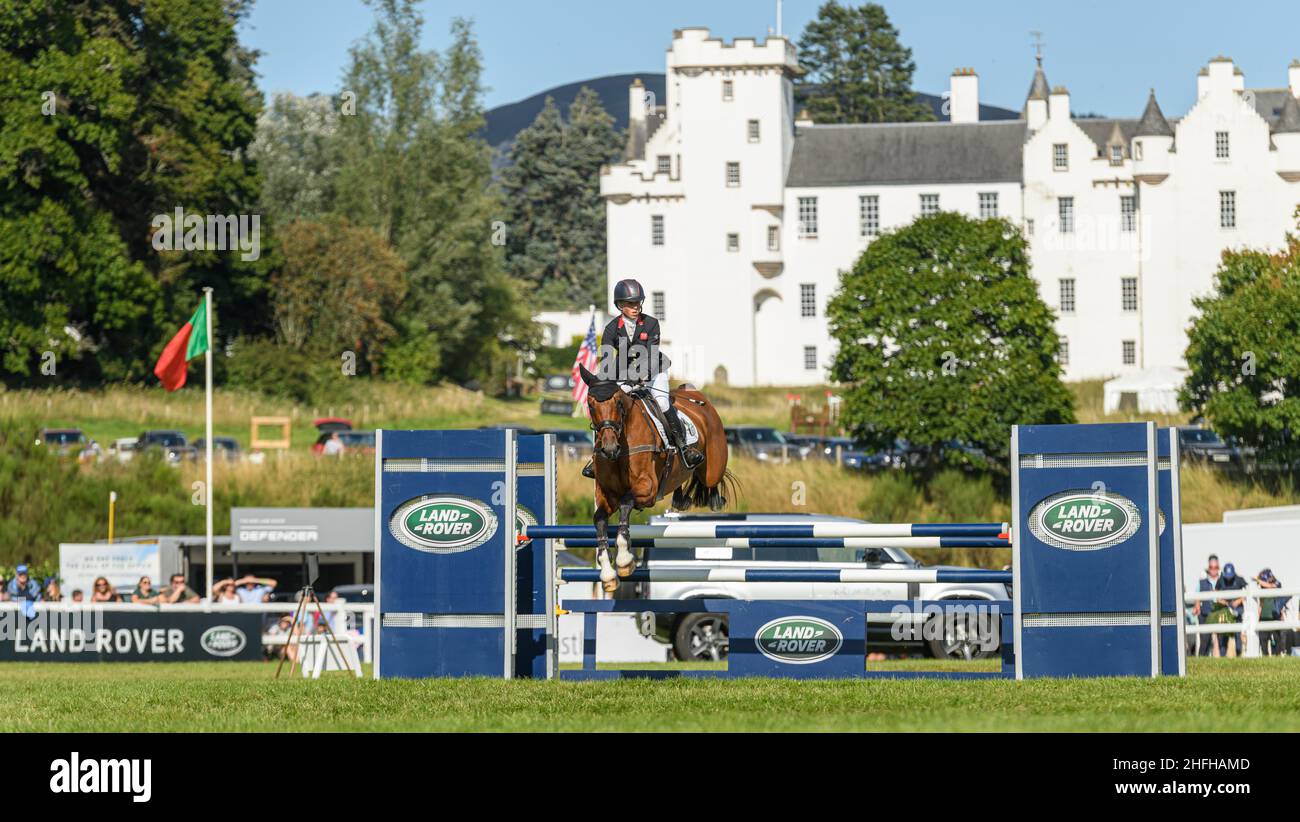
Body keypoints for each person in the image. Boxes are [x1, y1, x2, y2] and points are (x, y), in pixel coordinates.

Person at [581, 278, 703, 478]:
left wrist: (638, 377)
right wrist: (606, 381)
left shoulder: (651, 324)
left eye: (638, 303)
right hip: (625, 377)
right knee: (607, 408)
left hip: (654, 372)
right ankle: (597, 457)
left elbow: (651, 355)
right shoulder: (612, 328)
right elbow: (606, 358)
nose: (636, 307)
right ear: (620, 306)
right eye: (630, 304)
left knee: (663, 403)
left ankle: (684, 448)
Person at [1212, 563, 1248, 657]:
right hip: (1225, 610)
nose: (1228, 579)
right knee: (1223, 633)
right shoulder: (1221, 580)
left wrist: (1238, 601)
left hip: (1237, 610)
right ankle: (1223, 656)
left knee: (1237, 633)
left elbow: (1247, 592)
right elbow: (1215, 593)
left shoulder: (1239, 579)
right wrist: (1223, 601)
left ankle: (1239, 654)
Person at [1255, 569, 1289, 656]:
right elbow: (1260, 604)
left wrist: (1258, 580)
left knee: (1277, 641)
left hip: (1275, 616)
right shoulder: (1261, 589)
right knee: (1263, 641)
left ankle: (1277, 657)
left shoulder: (1277, 583)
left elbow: (1271, 586)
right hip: (1264, 617)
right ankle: (1265, 658)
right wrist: (1257, 619)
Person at [1194, 555, 1221, 656]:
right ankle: (1201, 659)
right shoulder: (1202, 582)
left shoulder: (1222, 580)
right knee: (1205, 641)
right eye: (1211, 567)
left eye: (1215, 567)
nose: (1213, 570)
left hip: (1219, 613)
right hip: (1205, 613)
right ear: (1208, 568)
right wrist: (1197, 606)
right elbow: (1197, 595)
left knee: (1221, 640)